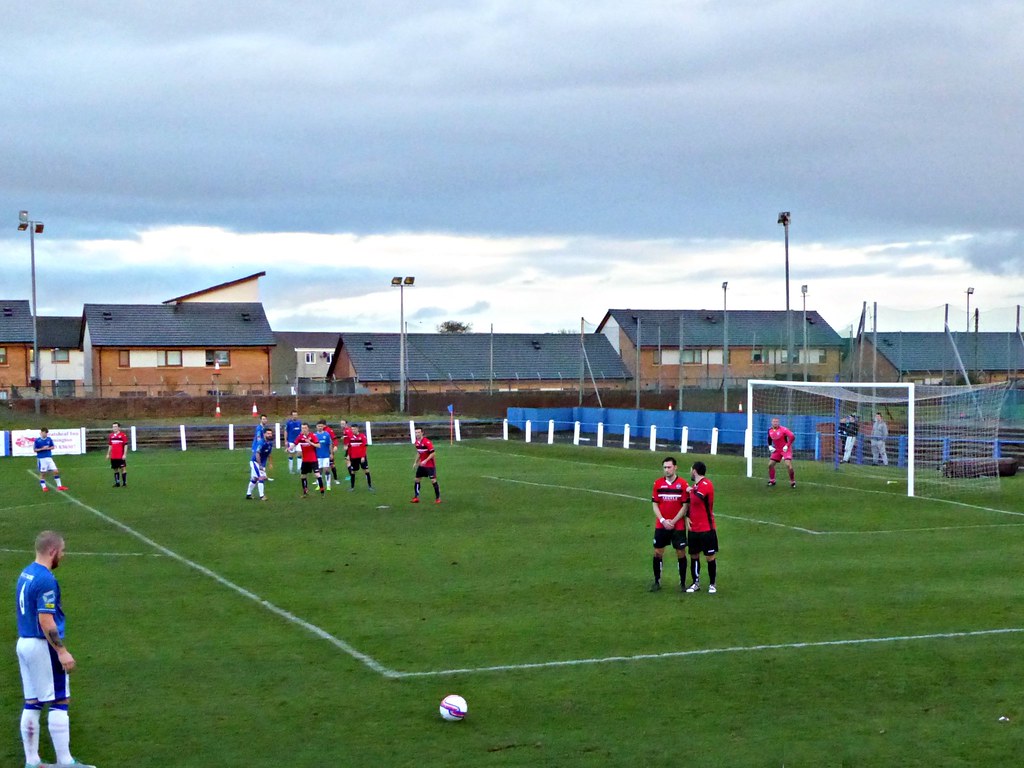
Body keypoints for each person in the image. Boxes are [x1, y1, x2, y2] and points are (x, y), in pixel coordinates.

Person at [15, 530, 97, 768]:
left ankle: (32, 762)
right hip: (43, 646)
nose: (63, 555)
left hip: (24, 643)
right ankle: (66, 762)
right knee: (60, 699)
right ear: (52, 551)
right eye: (61, 551)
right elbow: (46, 620)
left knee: (33, 702)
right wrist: (61, 651)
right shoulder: (45, 580)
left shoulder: (26, 573)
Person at [649, 456, 689, 593]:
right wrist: (663, 520)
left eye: (669, 467)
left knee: (681, 552)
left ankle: (682, 583)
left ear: (675, 467)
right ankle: (657, 581)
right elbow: (655, 504)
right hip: (662, 525)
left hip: (678, 525)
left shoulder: (682, 484)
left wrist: (673, 521)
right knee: (657, 552)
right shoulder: (658, 484)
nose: (666, 470)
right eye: (665, 467)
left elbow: (685, 506)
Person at [684, 461, 719, 594]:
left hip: (707, 528)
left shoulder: (706, 484)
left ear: (694, 471)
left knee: (710, 556)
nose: (690, 472)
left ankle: (712, 584)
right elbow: (692, 505)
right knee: (694, 556)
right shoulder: (695, 486)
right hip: (694, 528)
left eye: (690, 469)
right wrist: (687, 516)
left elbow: (699, 497)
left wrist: (690, 490)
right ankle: (695, 583)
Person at [293, 423, 324, 497]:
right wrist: (289, 448)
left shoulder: (312, 436)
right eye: (302, 428)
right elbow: (295, 443)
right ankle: (305, 491)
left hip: (313, 459)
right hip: (305, 460)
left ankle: (322, 491)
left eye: (305, 428)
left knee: (317, 475)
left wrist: (310, 442)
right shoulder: (300, 437)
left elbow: (319, 445)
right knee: (303, 476)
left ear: (308, 428)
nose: (303, 429)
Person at [411, 427, 441, 504]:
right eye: (416, 432)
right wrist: (415, 462)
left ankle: (438, 498)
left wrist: (426, 460)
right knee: (417, 479)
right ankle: (416, 497)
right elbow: (419, 453)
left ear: (422, 433)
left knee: (433, 480)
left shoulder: (427, 442)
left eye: (418, 432)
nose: (417, 434)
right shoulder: (416, 442)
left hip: (430, 465)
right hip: (422, 465)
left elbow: (433, 453)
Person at [767, 417, 796, 488]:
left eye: (776, 422)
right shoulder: (770, 430)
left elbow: (792, 437)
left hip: (786, 449)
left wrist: (787, 445)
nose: (775, 423)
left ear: (779, 423)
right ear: (771, 422)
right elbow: (769, 438)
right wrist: (770, 446)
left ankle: (792, 481)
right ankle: (772, 481)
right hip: (777, 450)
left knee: (788, 465)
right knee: (770, 465)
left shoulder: (783, 429)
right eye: (774, 421)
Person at [346, 423, 374, 492]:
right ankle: (352, 487)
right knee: (353, 472)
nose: (353, 430)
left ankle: (370, 486)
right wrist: (348, 455)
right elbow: (349, 447)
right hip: (353, 457)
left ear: (357, 429)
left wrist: (363, 456)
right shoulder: (350, 437)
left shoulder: (362, 436)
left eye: (354, 429)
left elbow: (364, 447)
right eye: (352, 429)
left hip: (361, 457)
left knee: (366, 470)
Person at [246, 426, 270, 500]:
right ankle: (262, 496)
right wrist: (260, 465)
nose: (270, 435)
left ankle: (248, 494)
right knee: (261, 477)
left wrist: (267, 464)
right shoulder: (261, 443)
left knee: (255, 478)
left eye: (270, 433)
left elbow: (267, 455)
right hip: (255, 462)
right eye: (268, 433)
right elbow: (257, 454)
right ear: (264, 434)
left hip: (260, 463)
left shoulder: (270, 443)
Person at [107, 421, 129, 487]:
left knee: (123, 469)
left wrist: (124, 454)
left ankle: (124, 483)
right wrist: (108, 454)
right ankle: (117, 483)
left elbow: (125, 445)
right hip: (113, 456)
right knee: (115, 469)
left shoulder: (123, 435)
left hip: (120, 456)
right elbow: (110, 445)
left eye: (116, 426)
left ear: (119, 428)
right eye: (113, 427)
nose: (114, 428)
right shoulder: (111, 436)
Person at [314, 421, 334, 491]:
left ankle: (328, 485)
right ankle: (319, 485)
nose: (320, 427)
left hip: (326, 455)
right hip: (318, 456)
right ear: (316, 427)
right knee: (319, 470)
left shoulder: (327, 434)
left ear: (323, 427)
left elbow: (330, 444)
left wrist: (331, 453)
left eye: (321, 426)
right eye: (319, 426)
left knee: (326, 469)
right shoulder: (314, 435)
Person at [254, 414, 275, 480]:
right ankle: (256, 476)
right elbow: (258, 437)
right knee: (257, 459)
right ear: (260, 420)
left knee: (263, 458)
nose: (265, 420)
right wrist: (261, 444)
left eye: (265, 419)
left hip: (262, 446)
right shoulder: (259, 428)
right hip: (258, 446)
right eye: (263, 419)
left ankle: (263, 475)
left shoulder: (263, 428)